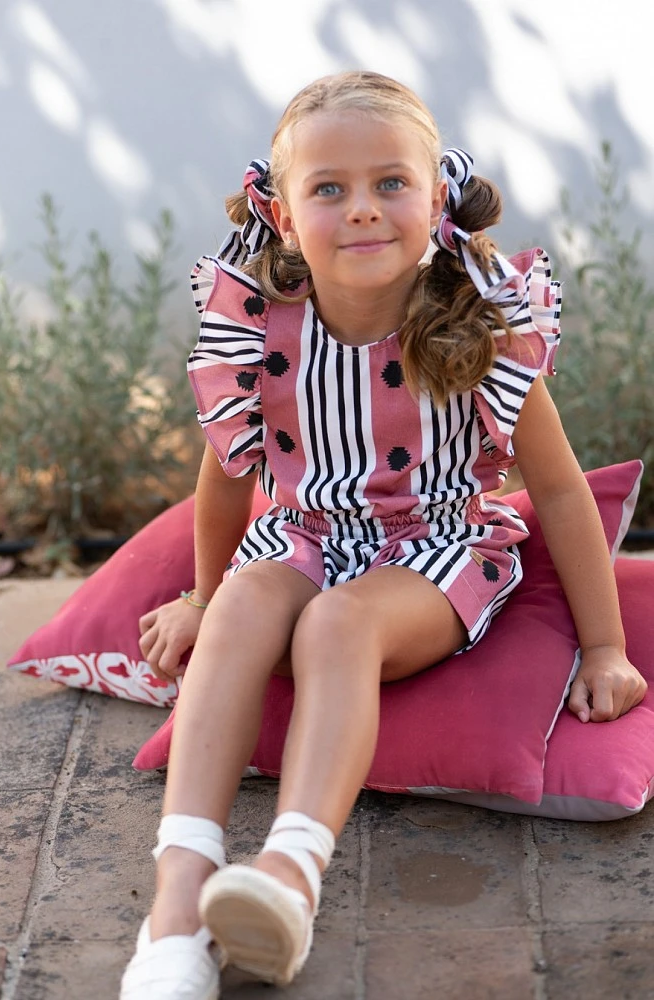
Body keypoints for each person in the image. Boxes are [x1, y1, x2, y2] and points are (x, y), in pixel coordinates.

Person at [120, 70, 646, 1000]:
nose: (362, 209)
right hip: (302, 535)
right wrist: (204, 595)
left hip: (436, 552)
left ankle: (289, 874)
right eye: (328, 189)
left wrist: (603, 646)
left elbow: (560, 494)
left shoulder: (477, 328)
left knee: (336, 627)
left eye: (389, 183)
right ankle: (178, 898)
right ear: (283, 217)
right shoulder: (260, 330)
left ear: (435, 200)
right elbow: (224, 478)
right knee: (247, 604)